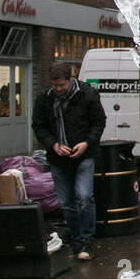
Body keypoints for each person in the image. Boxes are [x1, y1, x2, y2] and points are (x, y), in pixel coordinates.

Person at [32, 61, 106, 260]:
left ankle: (87, 242)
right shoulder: (44, 98)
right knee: (66, 203)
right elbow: (38, 126)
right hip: (58, 158)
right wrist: (54, 144)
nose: (58, 89)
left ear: (71, 78)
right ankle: (76, 240)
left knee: (84, 197)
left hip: (84, 155)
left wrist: (86, 143)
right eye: (55, 86)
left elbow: (99, 122)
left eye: (62, 85)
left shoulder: (87, 94)